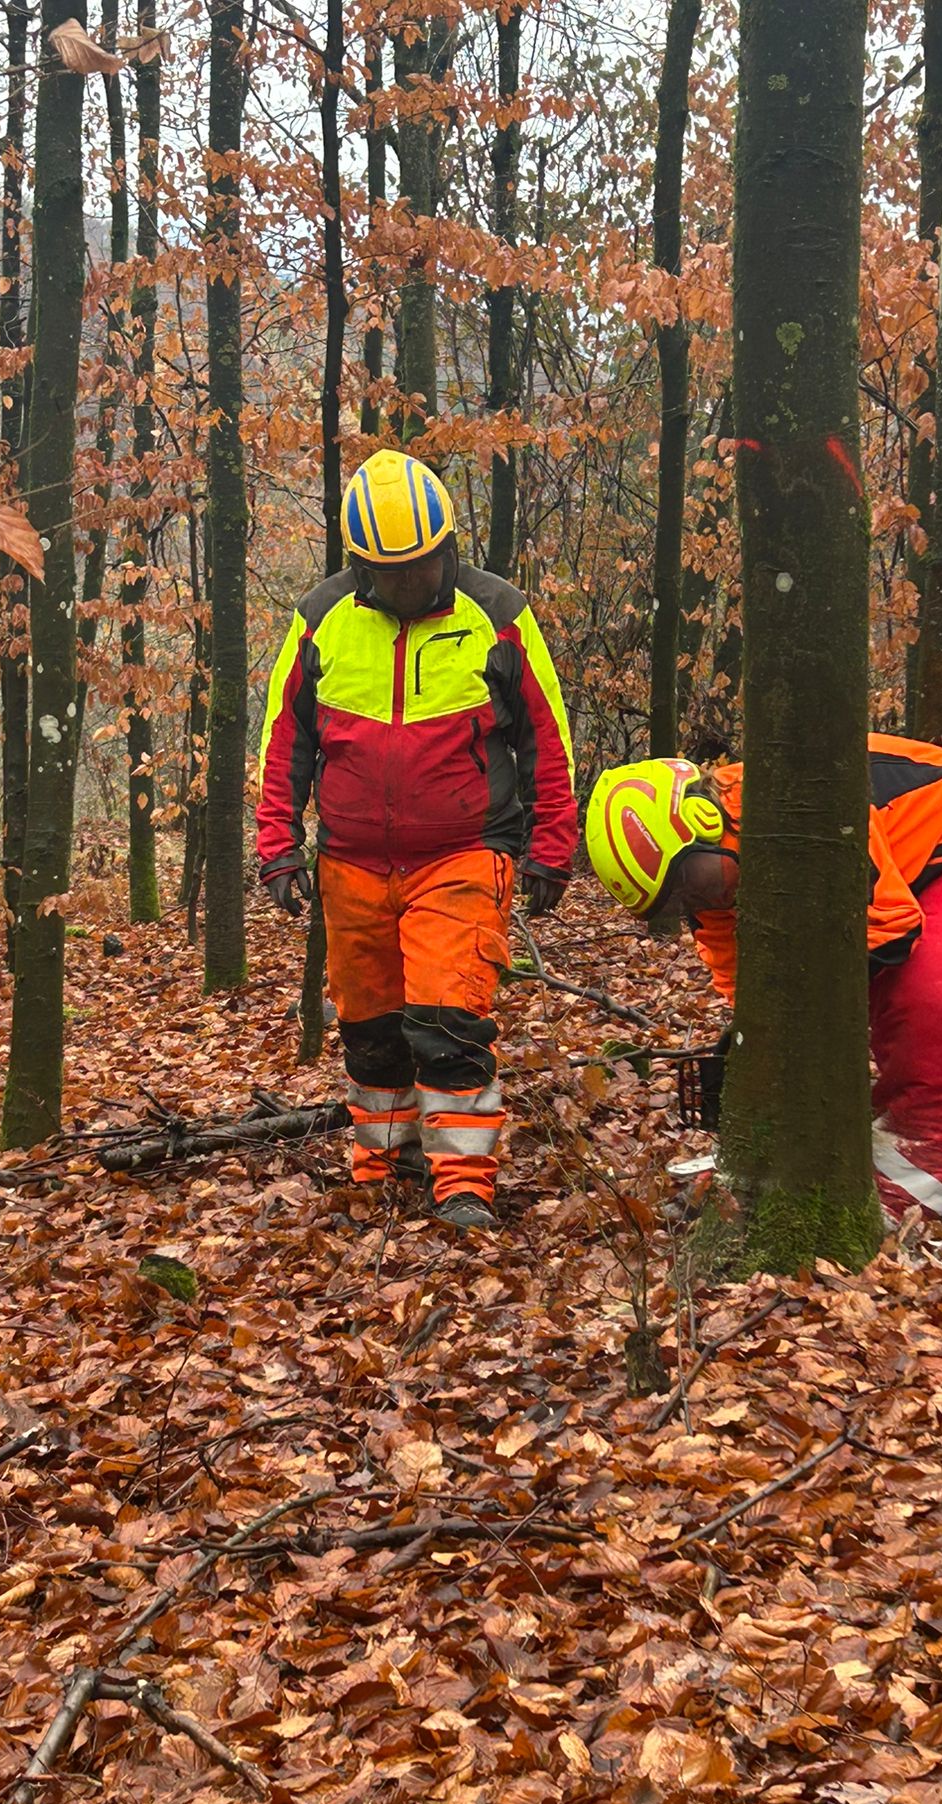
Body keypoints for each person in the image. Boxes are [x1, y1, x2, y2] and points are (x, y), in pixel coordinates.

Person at [257, 450, 577, 1233]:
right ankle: (386, 1158)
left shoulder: (497, 612)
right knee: (370, 1029)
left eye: (422, 564)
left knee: (447, 1018)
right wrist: (277, 844)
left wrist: (552, 846)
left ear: (447, 547)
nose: (410, 582)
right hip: (351, 858)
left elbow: (546, 735)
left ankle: (463, 1181)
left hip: (465, 851)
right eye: (392, 570)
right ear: (361, 563)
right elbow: (284, 741)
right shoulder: (321, 618)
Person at [585, 739, 942, 1222]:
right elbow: (747, 986)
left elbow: (885, 928)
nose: (698, 904)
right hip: (893, 867)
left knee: (928, 1001)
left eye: (693, 885)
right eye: (677, 903)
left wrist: (798, 1013)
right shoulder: (714, 890)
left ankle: (917, 1175)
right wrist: (755, 1041)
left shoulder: (799, 809)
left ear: (705, 824)